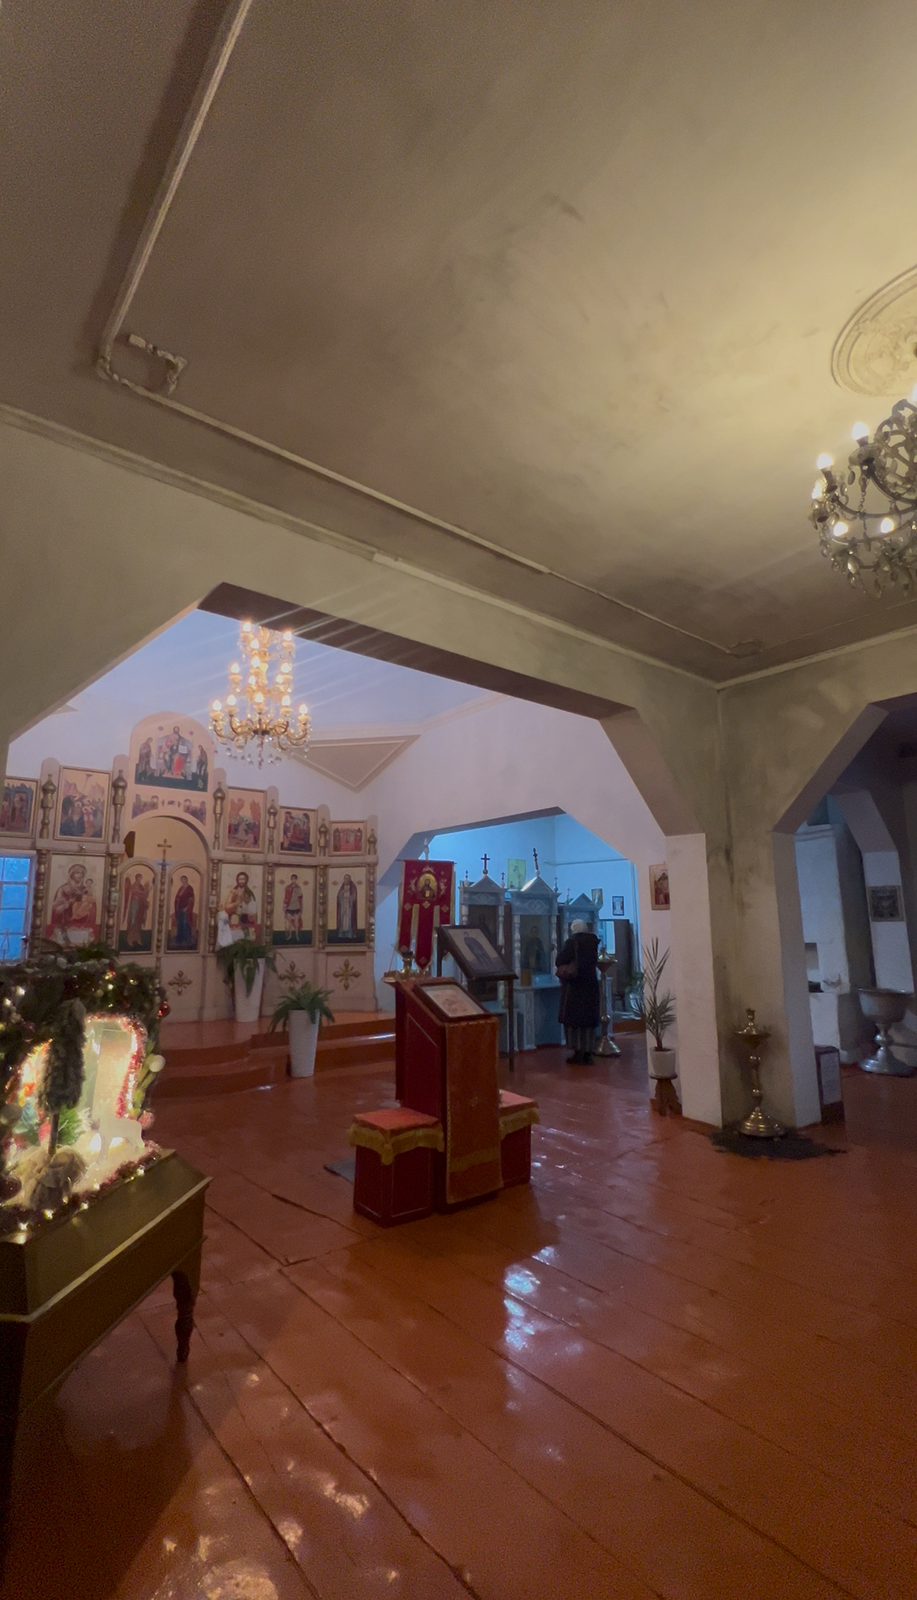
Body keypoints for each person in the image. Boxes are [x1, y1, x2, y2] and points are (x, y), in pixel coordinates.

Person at [556, 918, 600, 1064]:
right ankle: (587, 1052)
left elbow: (560, 960)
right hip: (590, 986)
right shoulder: (593, 942)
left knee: (574, 1021)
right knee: (587, 1022)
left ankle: (578, 1052)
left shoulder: (572, 942)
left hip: (574, 988)